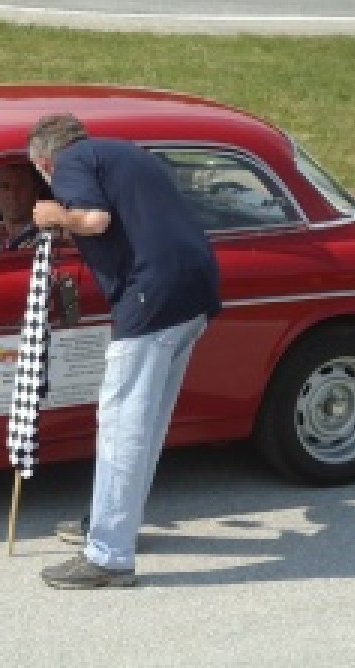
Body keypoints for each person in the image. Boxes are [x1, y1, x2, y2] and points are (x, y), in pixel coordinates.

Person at [27, 113, 221, 590]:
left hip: (151, 294)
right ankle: (111, 525)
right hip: (196, 287)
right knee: (147, 422)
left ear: (45, 162)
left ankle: (109, 555)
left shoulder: (71, 163)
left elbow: (95, 220)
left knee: (121, 424)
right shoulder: (126, 154)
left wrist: (55, 215)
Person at [0, 163, 41, 251]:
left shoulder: (50, 239)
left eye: (21, 186)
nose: (13, 195)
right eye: (5, 187)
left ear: (35, 193)